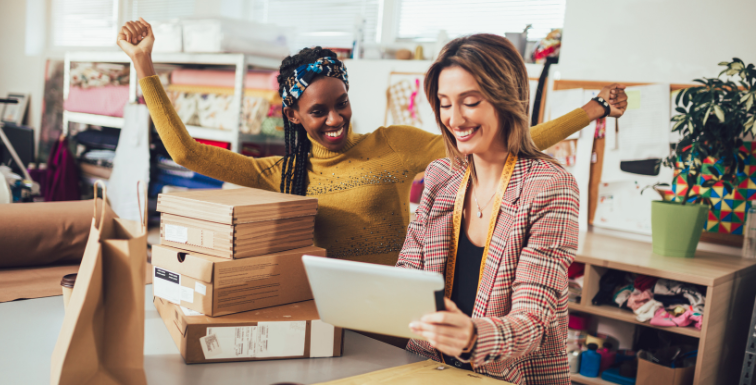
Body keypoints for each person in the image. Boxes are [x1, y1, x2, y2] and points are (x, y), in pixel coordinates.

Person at [117, 19, 627, 266]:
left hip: (397, 312)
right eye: (318, 111)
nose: (335, 118)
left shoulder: (394, 145)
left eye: (341, 102)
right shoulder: (276, 173)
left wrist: (591, 111)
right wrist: (145, 68)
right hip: (321, 308)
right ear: (293, 115)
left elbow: (504, 142)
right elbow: (184, 154)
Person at [402, 34, 585, 385]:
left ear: (507, 99)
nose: (455, 119)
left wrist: (471, 336)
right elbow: (407, 276)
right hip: (427, 378)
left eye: (471, 102)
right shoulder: (439, 177)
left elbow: (533, 321)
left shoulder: (550, 186)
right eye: (444, 104)